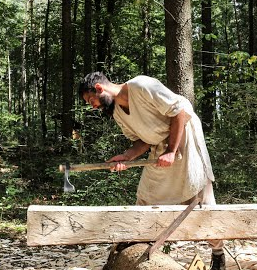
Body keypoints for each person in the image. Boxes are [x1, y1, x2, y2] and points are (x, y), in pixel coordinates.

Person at [79, 72, 225, 270]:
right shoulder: (117, 113)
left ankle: (218, 254)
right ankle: (138, 241)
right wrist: (128, 156)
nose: (93, 106)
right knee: (146, 196)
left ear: (98, 88)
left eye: (91, 100)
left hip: (184, 139)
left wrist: (172, 151)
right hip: (159, 147)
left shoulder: (141, 85)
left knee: (200, 198)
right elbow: (143, 140)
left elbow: (179, 111)